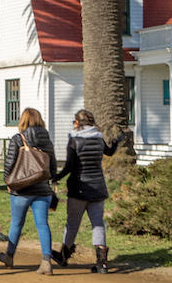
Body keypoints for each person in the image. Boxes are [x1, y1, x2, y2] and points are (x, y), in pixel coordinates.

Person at [52, 109, 122, 274]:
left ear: (78, 123)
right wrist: (117, 141)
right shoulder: (98, 139)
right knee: (97, 223)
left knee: (73, 223)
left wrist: (57, 177)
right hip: (98, 187)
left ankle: (64, 256)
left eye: (74, 122)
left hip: (78, 188)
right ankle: (102, 263)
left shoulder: (74, 141)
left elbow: (69, 166)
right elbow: (110, 152)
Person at [0, 107, 58, 275]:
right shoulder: (47, 140)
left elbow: (9, 163)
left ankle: (9, 257)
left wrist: (8, 181)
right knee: (42, 224)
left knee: (16, 223)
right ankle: (46, 261)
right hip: (42, 190)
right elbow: (53, 166)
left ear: (23, 121)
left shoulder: (18, 139)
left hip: (21, 191)